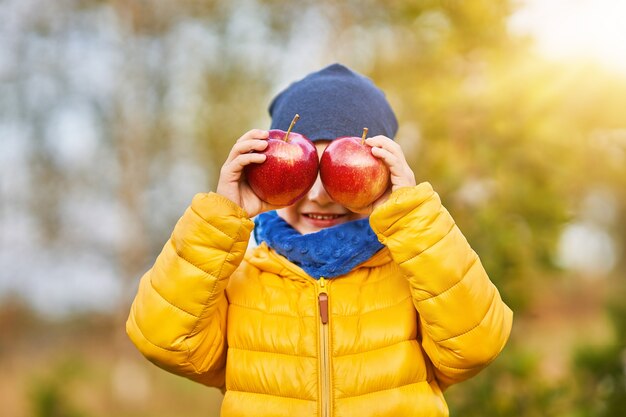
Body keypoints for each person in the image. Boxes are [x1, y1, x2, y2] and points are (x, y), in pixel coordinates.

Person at [126, 63, 513, 417]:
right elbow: (162, 339)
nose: (319, 196)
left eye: (336, 174)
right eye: (303, 174)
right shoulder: (239, 279)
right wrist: (220, 220)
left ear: (385, 174)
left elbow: (478, 344)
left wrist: (411, 216)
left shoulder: (411, 272)